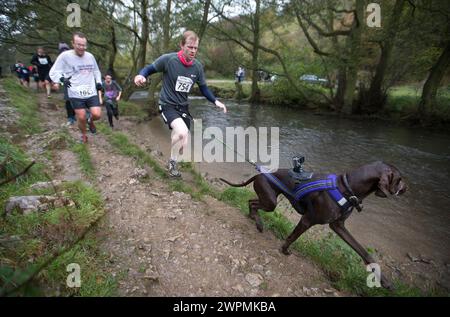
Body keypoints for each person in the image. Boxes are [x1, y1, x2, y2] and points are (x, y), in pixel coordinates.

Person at [134, 30, 227, 177]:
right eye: (190, 47)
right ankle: (173, 163)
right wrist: (141, 75)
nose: (193, 51)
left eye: (195, 48)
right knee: (183, 133)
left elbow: (203, 88)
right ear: (182, 45)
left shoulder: (197, 67)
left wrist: (216, 101)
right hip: (167, 105)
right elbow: (149, 69)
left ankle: (172, 163)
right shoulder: (169, 60)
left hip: (183, 107)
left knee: (179, 138)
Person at [49, 32, 103, 144]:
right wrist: (62, 80)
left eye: (83, 45)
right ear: (73, 43)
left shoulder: (90, 56)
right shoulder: (65, 56)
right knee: (81, 117)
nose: (81, 48)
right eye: (78, 44)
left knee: (97, 115)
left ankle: (91, 120)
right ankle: (83, 136)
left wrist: (98, 82)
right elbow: (53, 72)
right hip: (75, 92)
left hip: (90, 90)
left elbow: (96, 71)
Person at [57, 42, 76, 125]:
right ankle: (70, 118)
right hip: (65, 83)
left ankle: (74, 115)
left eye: (65, 50)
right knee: (68, 100)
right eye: (62, 50)